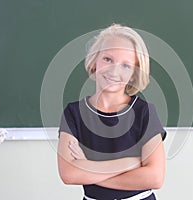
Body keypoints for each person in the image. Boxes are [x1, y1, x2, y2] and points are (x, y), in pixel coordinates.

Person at [57, 24, 167, 200]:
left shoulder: (144, 112)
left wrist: (89, 167)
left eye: (126, 65)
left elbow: (154, 177)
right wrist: (130, 164)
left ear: (133, 74)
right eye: (107, 59)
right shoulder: (74, 113)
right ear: (94, 61)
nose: (114, 70)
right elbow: (69, 174)